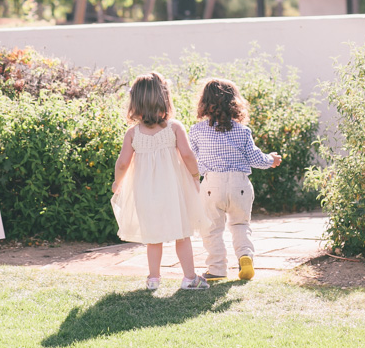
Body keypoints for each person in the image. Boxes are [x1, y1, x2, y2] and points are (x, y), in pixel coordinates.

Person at [111, 71, 209, 291]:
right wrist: (195, 176)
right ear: (165, 99)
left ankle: (153, 279)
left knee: (153, 236)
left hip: (145, 192)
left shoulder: (133, 134)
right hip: (173, 191)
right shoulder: (174, 128)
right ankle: (189, 277)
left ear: (135, 103)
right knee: (182, 233)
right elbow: (188, 155)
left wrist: (118, 182)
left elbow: (123, 163)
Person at [188, 78, 282, 282]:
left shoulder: (196, 131)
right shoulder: (242, 131)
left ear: (204, 103)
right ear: (234, 103)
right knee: (240, 224)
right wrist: (271, 160)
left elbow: (191, 161)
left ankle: (217, 269)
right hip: (240, 185)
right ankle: (245, 256)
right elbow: (256, 158)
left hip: (212, 184)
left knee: (212, 228)